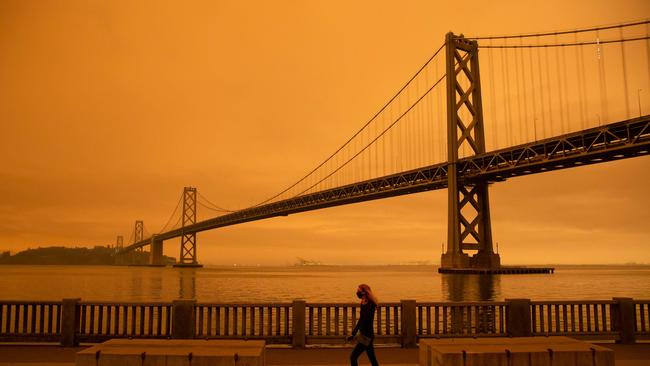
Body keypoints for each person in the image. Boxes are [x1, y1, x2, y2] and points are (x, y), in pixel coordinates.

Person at [347, 284, 380, 366]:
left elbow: (365, 319)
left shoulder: (370, 304)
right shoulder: (363, 303)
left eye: (358, 290)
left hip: (367, 336)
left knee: (353, 357)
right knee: (372, 359)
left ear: (364, 292)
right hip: (365, 335)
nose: (357, 292)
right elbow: (361, 319)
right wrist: (353, 333)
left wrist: (356, 334)